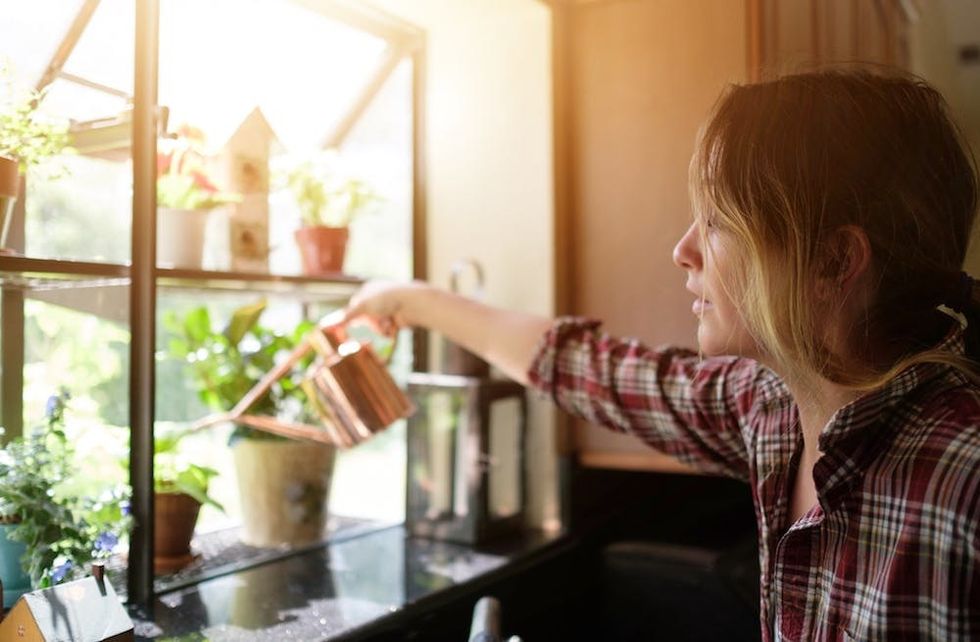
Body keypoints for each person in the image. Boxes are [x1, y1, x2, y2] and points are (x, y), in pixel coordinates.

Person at [332, 70, 980, 640]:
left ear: (836, 261)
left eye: (720, 223)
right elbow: (596, 369)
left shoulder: (963, 477)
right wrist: (410, 299)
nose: (683, 249)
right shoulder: (771, 407)